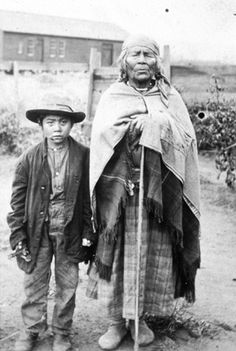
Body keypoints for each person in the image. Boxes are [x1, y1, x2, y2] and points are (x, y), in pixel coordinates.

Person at [87, 34, 201, 350]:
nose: (141, 59)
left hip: (156, 196)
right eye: (134, 54)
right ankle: (114, 323)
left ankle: (139, 319)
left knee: (149, 253)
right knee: (117, 252)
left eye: (147, 55)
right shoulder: (113, 95)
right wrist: (131, 128)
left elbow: (184, 138)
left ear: (156, 63)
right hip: (120, 192)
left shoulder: (169, 97)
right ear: (124, 62)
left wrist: (158, 123)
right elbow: (103, 134)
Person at [7, 102, 96, 351]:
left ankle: (61, 333)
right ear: (41, 125)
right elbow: (17, 202)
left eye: (63, 122)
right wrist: (18, 234)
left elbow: (91, 198)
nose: (57, 128)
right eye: (51, 122)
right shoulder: (29, 157)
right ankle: (31, 331)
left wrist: (89, 232)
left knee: (68, 284)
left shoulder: (83, 155)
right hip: (38, 229)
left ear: (72, 125)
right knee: (35, 282)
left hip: (71, 228)